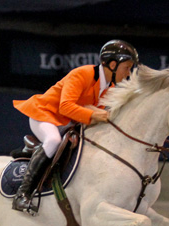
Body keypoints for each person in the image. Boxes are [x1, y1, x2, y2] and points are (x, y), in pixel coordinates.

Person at [12, 39, 139, 214]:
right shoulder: (83, 73)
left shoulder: (109, 87)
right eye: (127, 67)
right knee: (53, 140)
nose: (128, 73)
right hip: (45, 115)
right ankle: (22, 194)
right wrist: (95, 114)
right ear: (112, 64)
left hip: (68, 124)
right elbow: (65, 107)